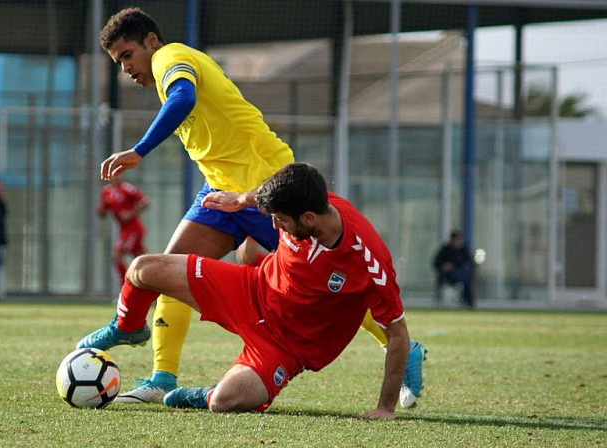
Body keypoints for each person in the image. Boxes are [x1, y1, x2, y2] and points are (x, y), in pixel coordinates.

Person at [84, 7, 425, 406]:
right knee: (168, 267)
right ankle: (161, 376)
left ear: (151, 41)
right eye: (117, 61)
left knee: (325, 281)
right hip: (222, 192)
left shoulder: (170, 58)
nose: (124, 68)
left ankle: (402, 343)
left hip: (267, 190)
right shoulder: (165, 68)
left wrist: (139, 151)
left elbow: (183, 96)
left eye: (127, 55)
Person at [78, 163, 413, 418]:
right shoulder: (306, 197)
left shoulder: (368, 260)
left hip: (288, 347)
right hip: (249, 290)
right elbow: (278, 184)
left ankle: (199, 394)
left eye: (280, 220)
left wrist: (385, 408)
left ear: (309, 218)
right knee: (141, 270)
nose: (274, 226)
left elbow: (397, 334)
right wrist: (242, 200)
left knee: (226, 401)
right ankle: (128, 328)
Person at [97, 175, 149, 283]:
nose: (115, 178)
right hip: (124, 229)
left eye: (118, 175)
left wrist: (131, 213)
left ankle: (126, 286)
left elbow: (145, 203)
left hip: (133, 228)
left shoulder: (127, 188)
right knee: (143, 260)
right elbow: (103, 210)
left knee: (116, 257)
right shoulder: (106, 191)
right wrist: (100, 211)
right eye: (113, 175)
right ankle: (152, 287)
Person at [433, 230, 475, 309]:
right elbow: (436, 263)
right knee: (460, 278)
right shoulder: (445, 250)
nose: (457, 242)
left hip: (460, 274)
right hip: (447, 275)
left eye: (459, 240)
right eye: (455, 239)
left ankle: (469, 304)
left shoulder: (464, 250)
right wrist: (444, 266)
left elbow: (470, 263)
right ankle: (439, 302)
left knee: (467, 280)